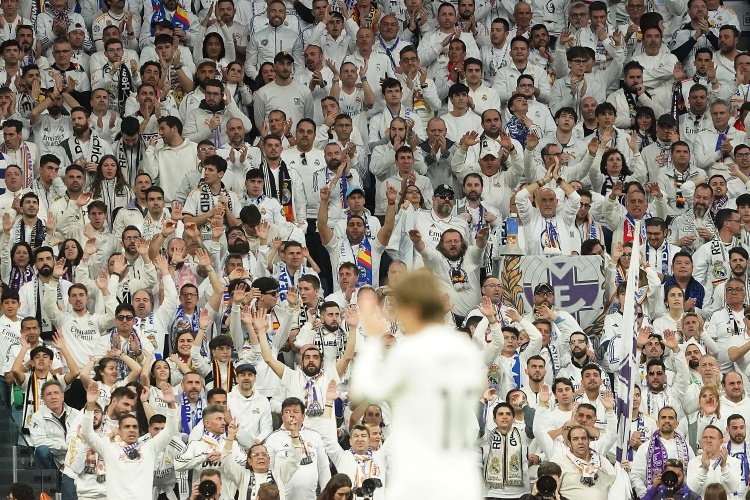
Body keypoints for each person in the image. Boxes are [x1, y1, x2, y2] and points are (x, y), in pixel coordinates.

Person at [352, 270, 486, 500]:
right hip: (460, 473)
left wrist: (373, 339)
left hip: (422, 471)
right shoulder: (463, 349)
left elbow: (364, 388)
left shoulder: (411, 350)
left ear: (413, 309)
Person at [81, 380, 178, 500]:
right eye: (127, 427)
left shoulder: (149, 448)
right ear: (119, 431)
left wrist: (171, 405)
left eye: (135, 427)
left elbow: (170, 431)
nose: (131, 430)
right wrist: (90, 404)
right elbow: (87, 433)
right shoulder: (109, 449)